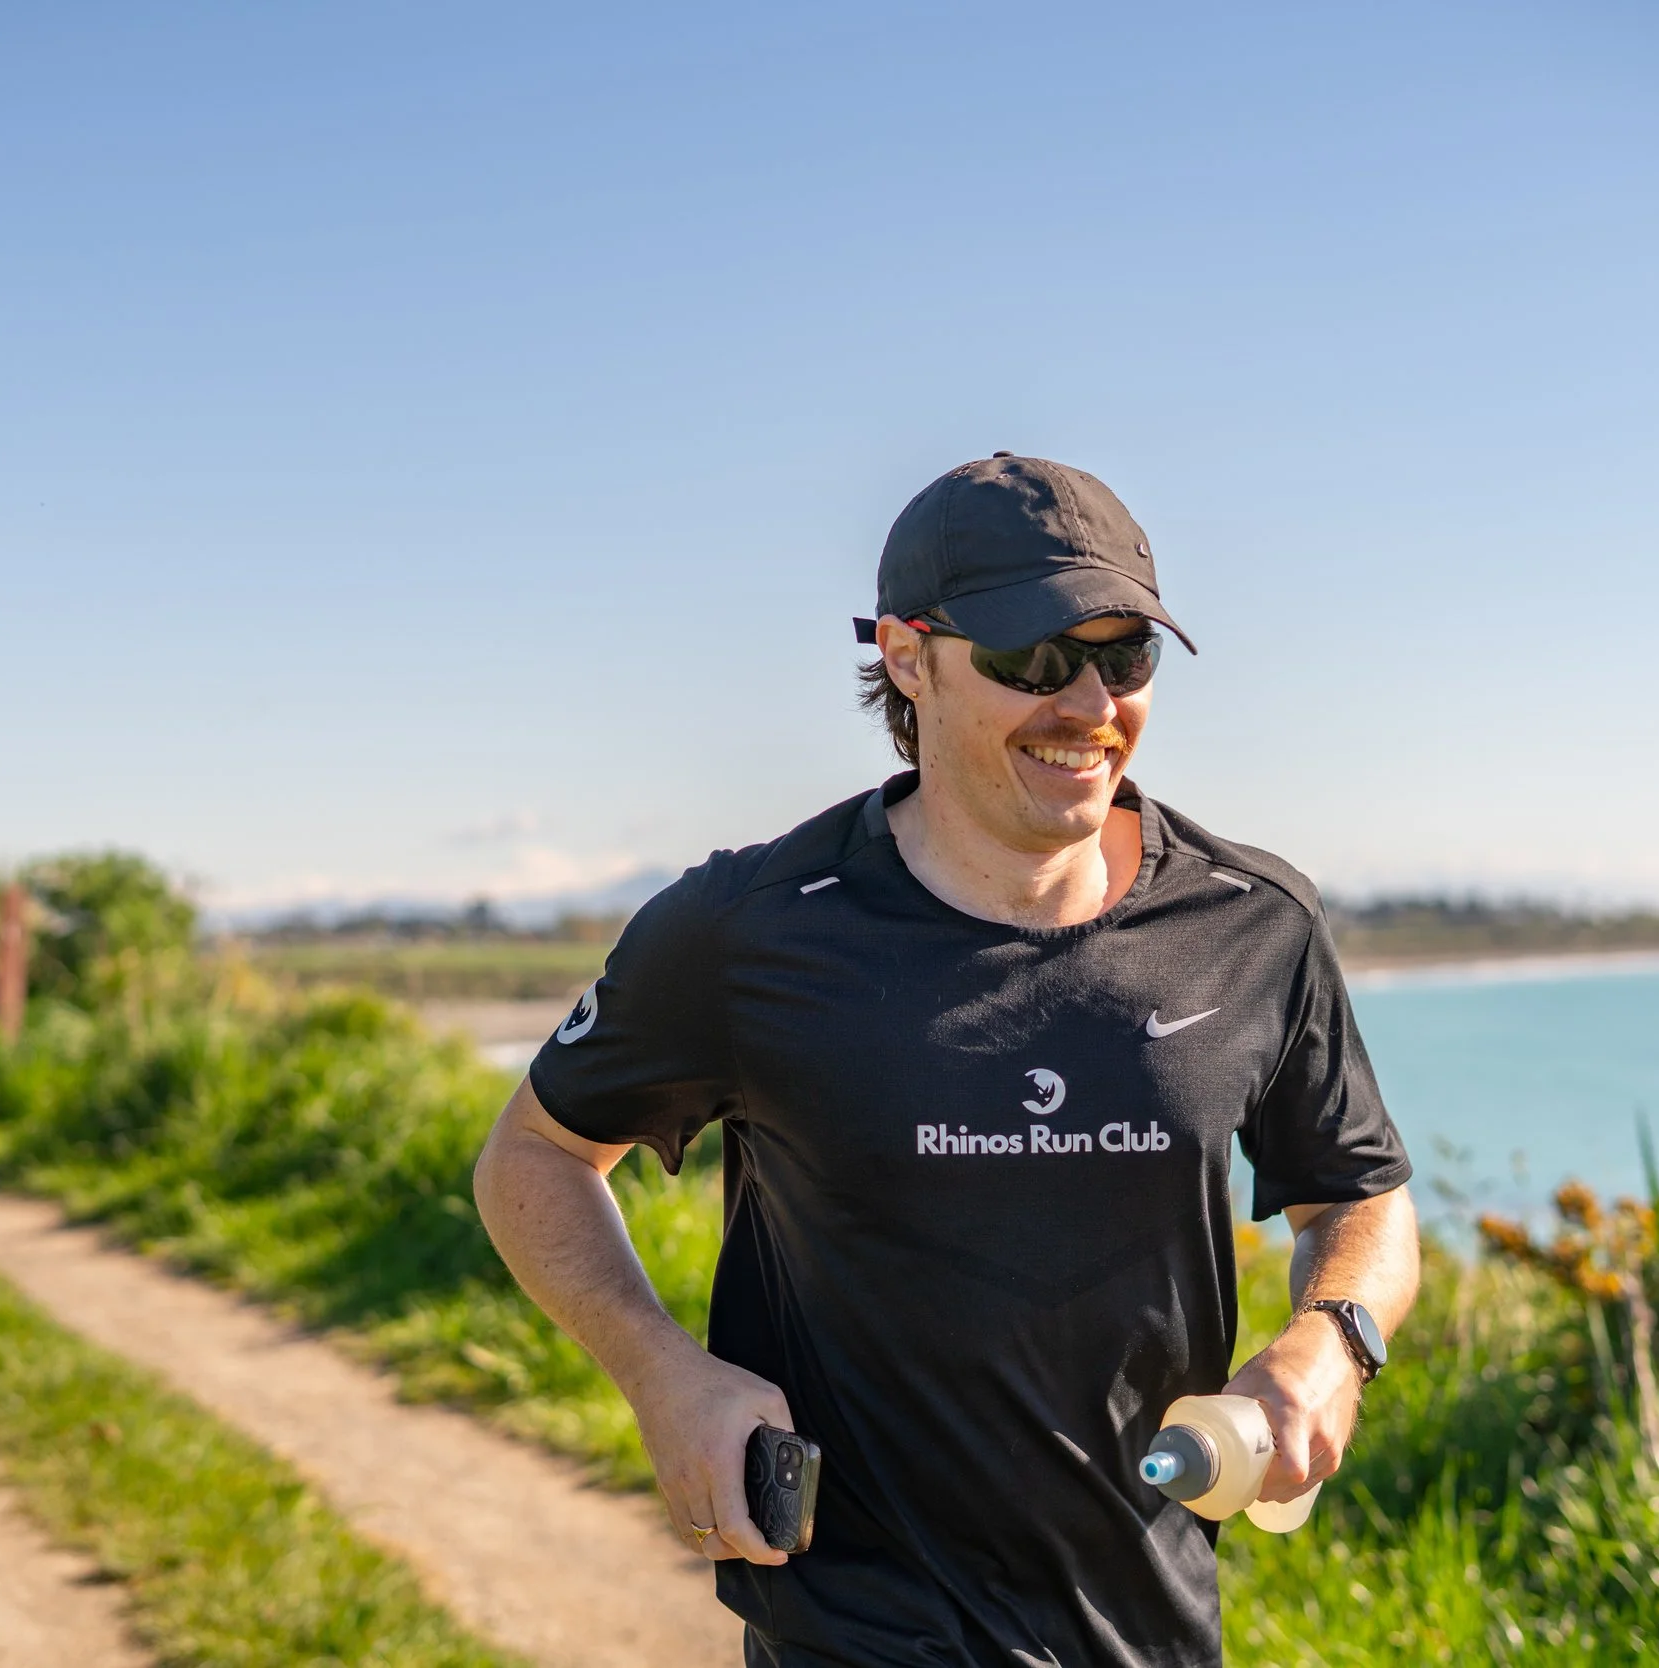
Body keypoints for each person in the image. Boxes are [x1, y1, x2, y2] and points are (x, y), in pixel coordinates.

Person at [474, 453, 1420, 1667]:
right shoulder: (748, 929)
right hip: (856, 1628)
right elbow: (537, 1156)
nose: (1087, 705)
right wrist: (663, 1375)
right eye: (1032, 659)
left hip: (1149, 1622)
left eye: (1121, 655)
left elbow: (1357, 1196)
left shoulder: (1252, 923)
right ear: (906, 658)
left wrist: (1330, 1339)